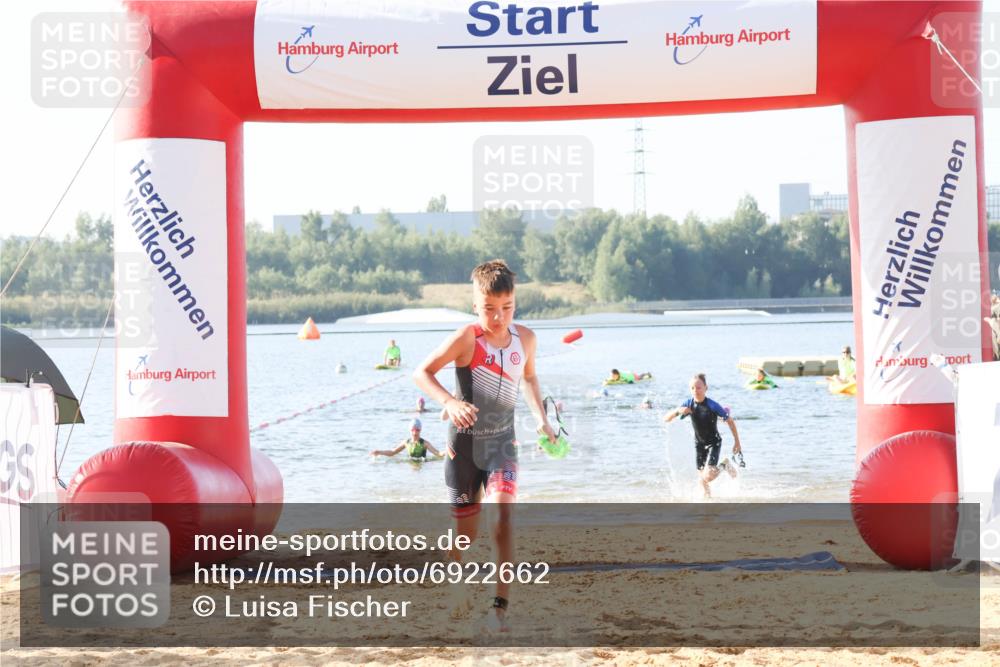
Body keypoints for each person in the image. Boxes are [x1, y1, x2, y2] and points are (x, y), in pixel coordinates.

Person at [413, 259, 556, 632]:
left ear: (515, 303)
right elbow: (421, 372)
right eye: (490, 309)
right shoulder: (466, 339)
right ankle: (455, 577)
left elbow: (529, 378)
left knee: (502, 519)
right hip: (462, 451)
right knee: (464, 535)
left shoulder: (526, 339)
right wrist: (449, 402)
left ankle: (499, 609)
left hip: (501, 446)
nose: (498, 317)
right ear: (475, 304)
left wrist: (541, 419)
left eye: (507, 308)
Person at [664, 373, 742, 498]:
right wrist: (678, 411)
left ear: (706, 388)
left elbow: (730, 421)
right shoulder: (688, 404)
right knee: (702, 479)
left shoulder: (712, 405)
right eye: (693, 388)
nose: (696, 391)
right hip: (699, 444)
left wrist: (737, 442)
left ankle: (724, 465)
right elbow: (666, 419)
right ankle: (708, 502)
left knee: (708, 477)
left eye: (699, 387)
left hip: (714, 442)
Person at [370, 418, 442, 460]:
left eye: (417, 430)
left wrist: (448, 451)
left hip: (422, 466)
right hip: (410, 465)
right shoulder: (407, 442)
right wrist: (379, 452)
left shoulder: (424, 443)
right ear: (410, 430)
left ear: (420, 430)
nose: (415, 433)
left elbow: (438, 453)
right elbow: (393, 452)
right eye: (413, 430)